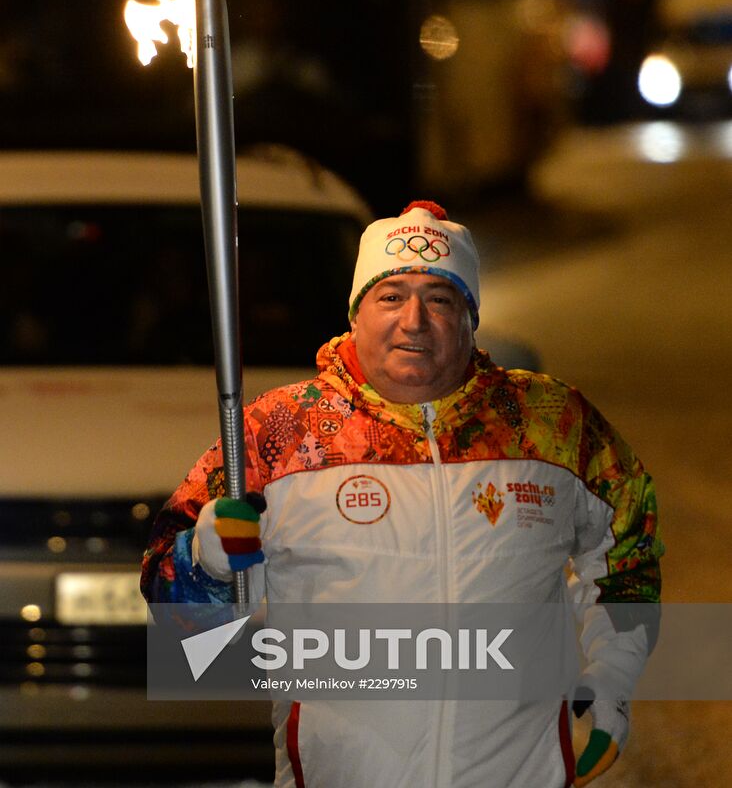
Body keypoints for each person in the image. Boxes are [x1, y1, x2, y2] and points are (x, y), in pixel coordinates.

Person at [141, 200, 662, 788]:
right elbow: (180, 623)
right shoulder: (278, 434)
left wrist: (612, 684)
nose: (413, 320)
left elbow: (628, 553)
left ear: (471, 319)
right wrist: (207, 563)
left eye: (440, 298)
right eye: (390, 296)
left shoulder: (551, 425)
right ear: (356, 315)